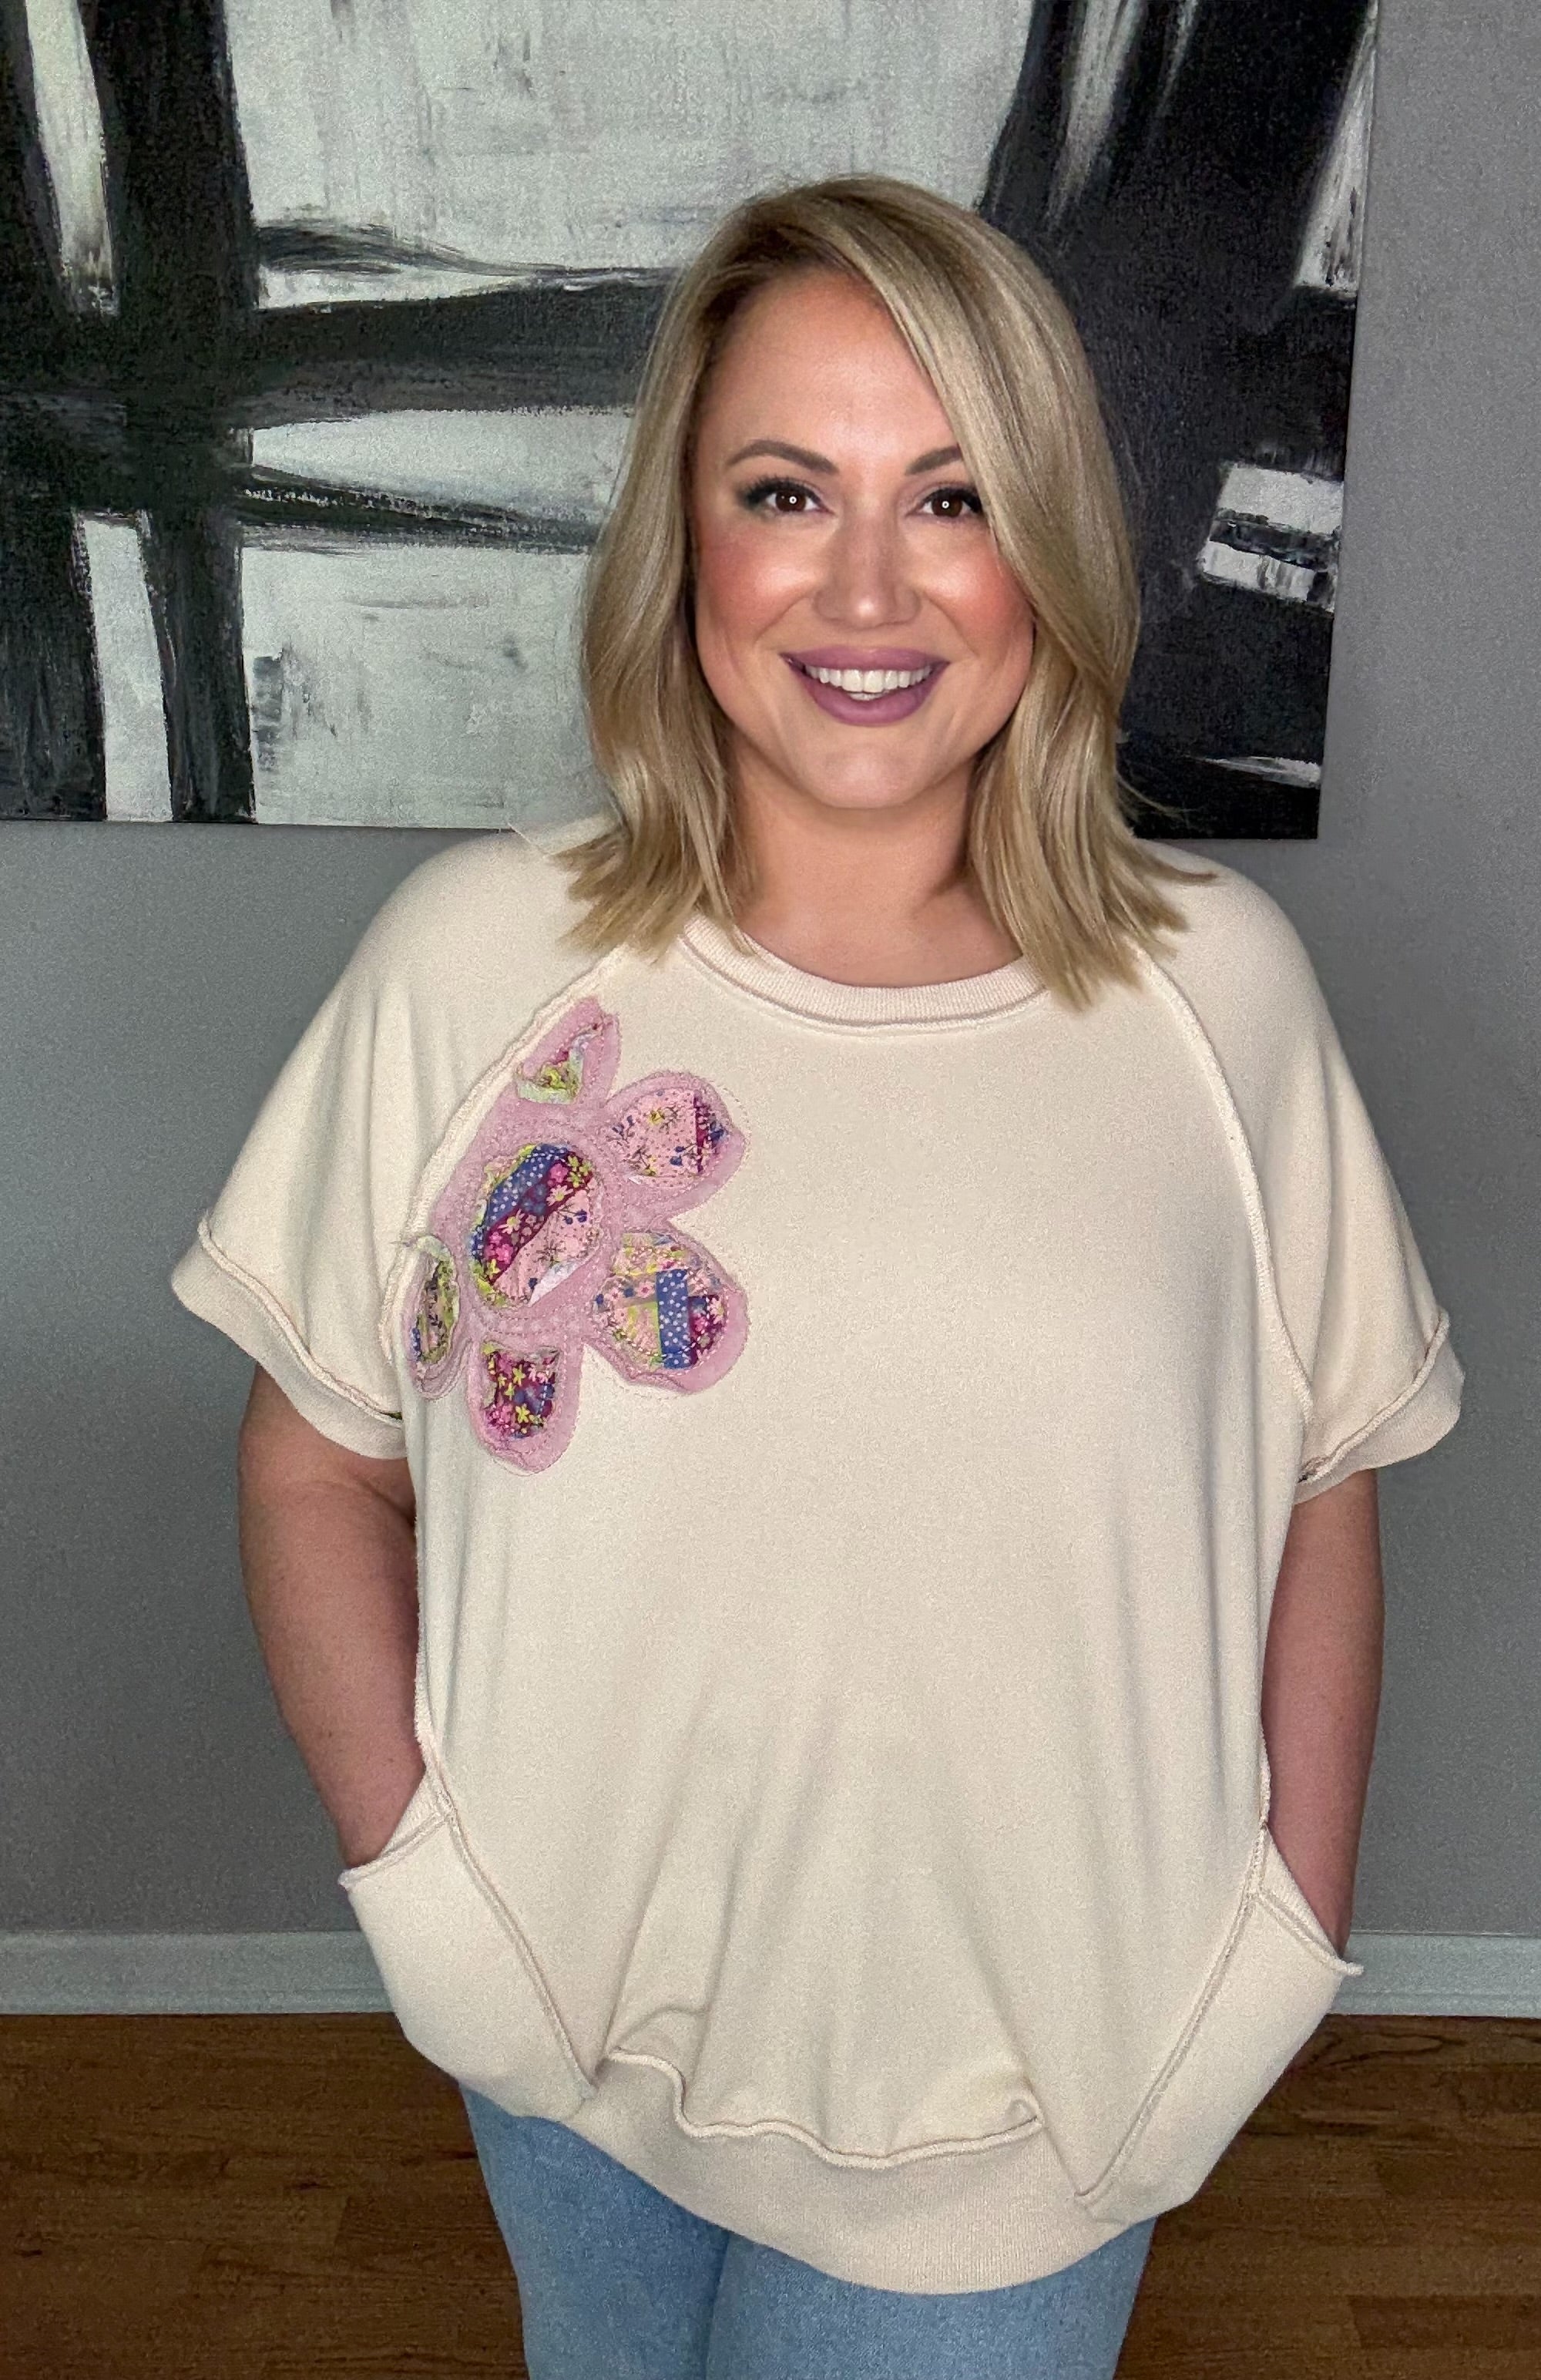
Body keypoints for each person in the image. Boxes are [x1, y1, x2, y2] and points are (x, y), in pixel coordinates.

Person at [171, 175, 1463, 2378]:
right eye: (787, 492)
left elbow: (1316, 1479)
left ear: (1043, 550)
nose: (868, 587)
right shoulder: (476, 964)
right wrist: (435, 1906)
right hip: (563, 2041)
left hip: (1035, 2099)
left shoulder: (1217, 999)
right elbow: (315, 1461)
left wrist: (1277, 1941)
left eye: (949, 497)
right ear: (687, 543)